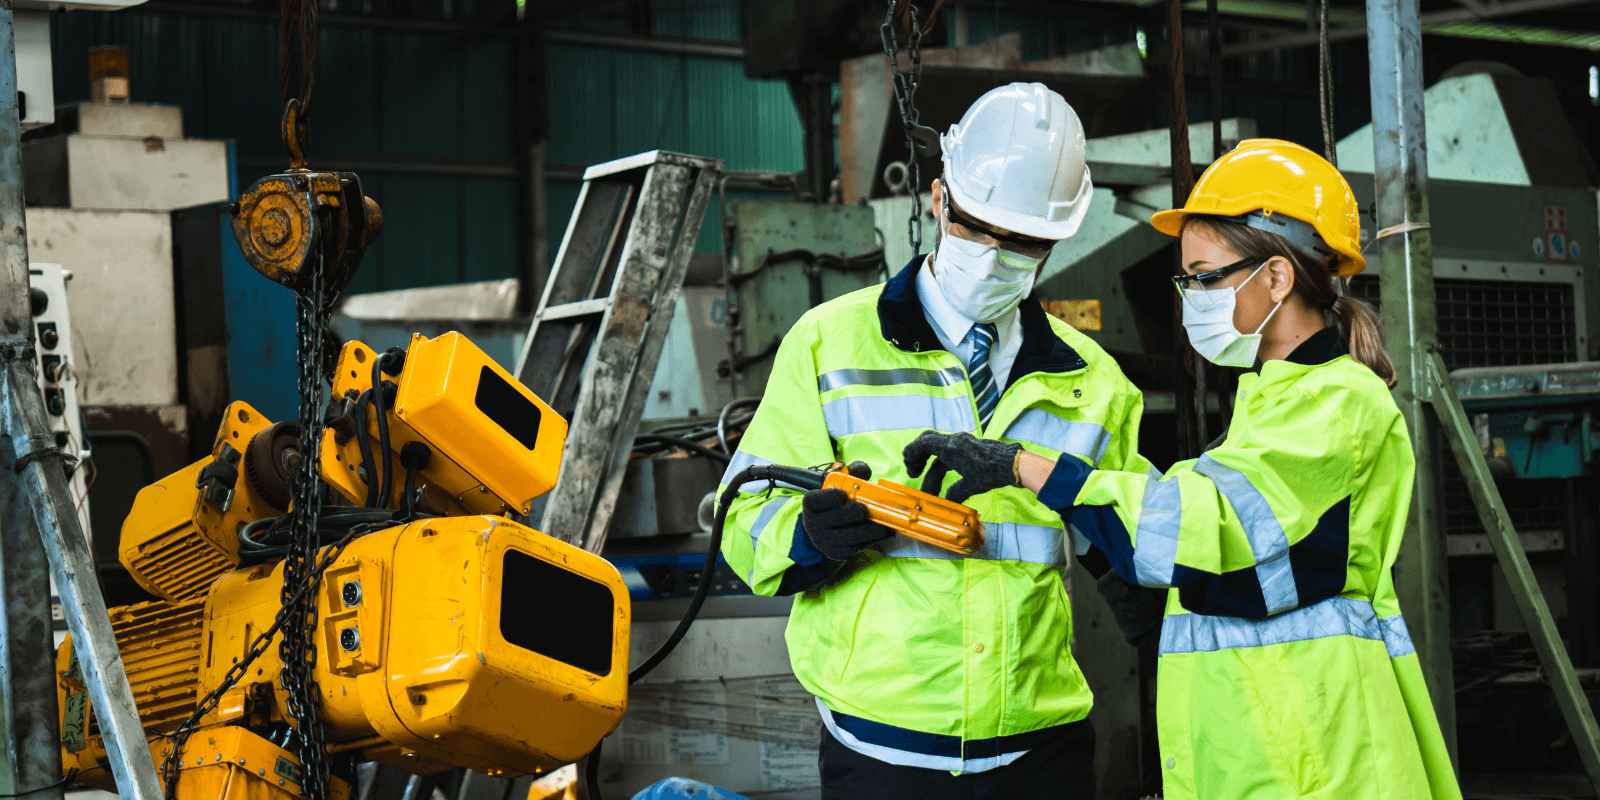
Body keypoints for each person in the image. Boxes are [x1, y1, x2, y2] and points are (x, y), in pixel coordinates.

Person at [901, 139, 1463, 800]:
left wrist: (1025, 467)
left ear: (1276, 278)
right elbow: (1249, 558)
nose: (1190, 296)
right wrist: (1151, 589)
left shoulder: (1337, 404)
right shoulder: (1275, 399)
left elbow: (1197, 520)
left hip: (1317, 750)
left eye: (1204, 277)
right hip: (1268, 743)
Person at [717, 82, 1156, 798]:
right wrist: (809, 535)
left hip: (1041, 755)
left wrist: (1134, 578)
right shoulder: (828, 344)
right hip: (883, 754)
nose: (992, 254)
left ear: (1056, 241)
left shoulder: (1095, 381)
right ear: (938, 200)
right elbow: (743, 515)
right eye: (978, 226)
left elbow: (1134, 528)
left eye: (1022, 241)